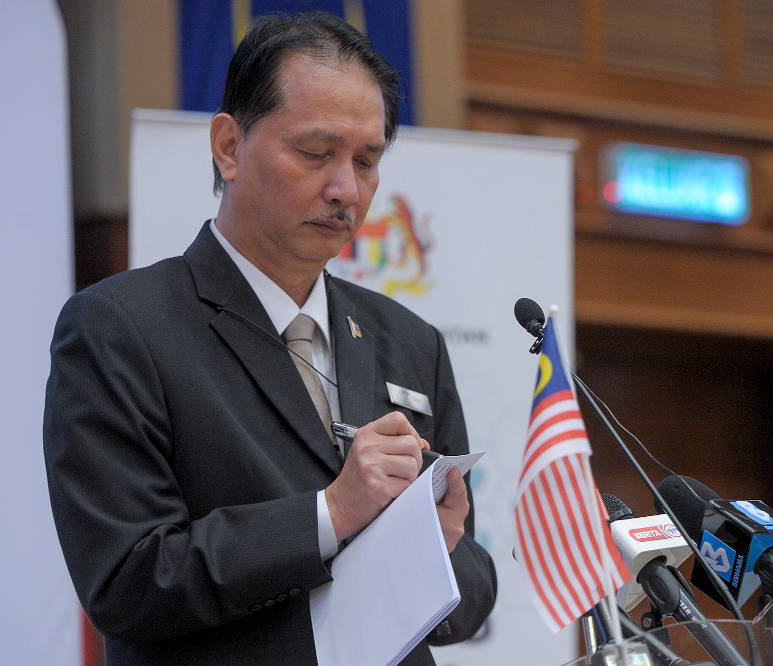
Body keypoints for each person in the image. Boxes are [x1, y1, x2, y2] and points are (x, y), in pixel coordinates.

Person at [44, 12, 496, 666]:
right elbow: (127, 582)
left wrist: (439, 552)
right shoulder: (120, 327)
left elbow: (476, 587)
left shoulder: (409, 340)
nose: (346, 190)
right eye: (316, 154)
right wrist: (330, 514)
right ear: (229, 146)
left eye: (367, 161)